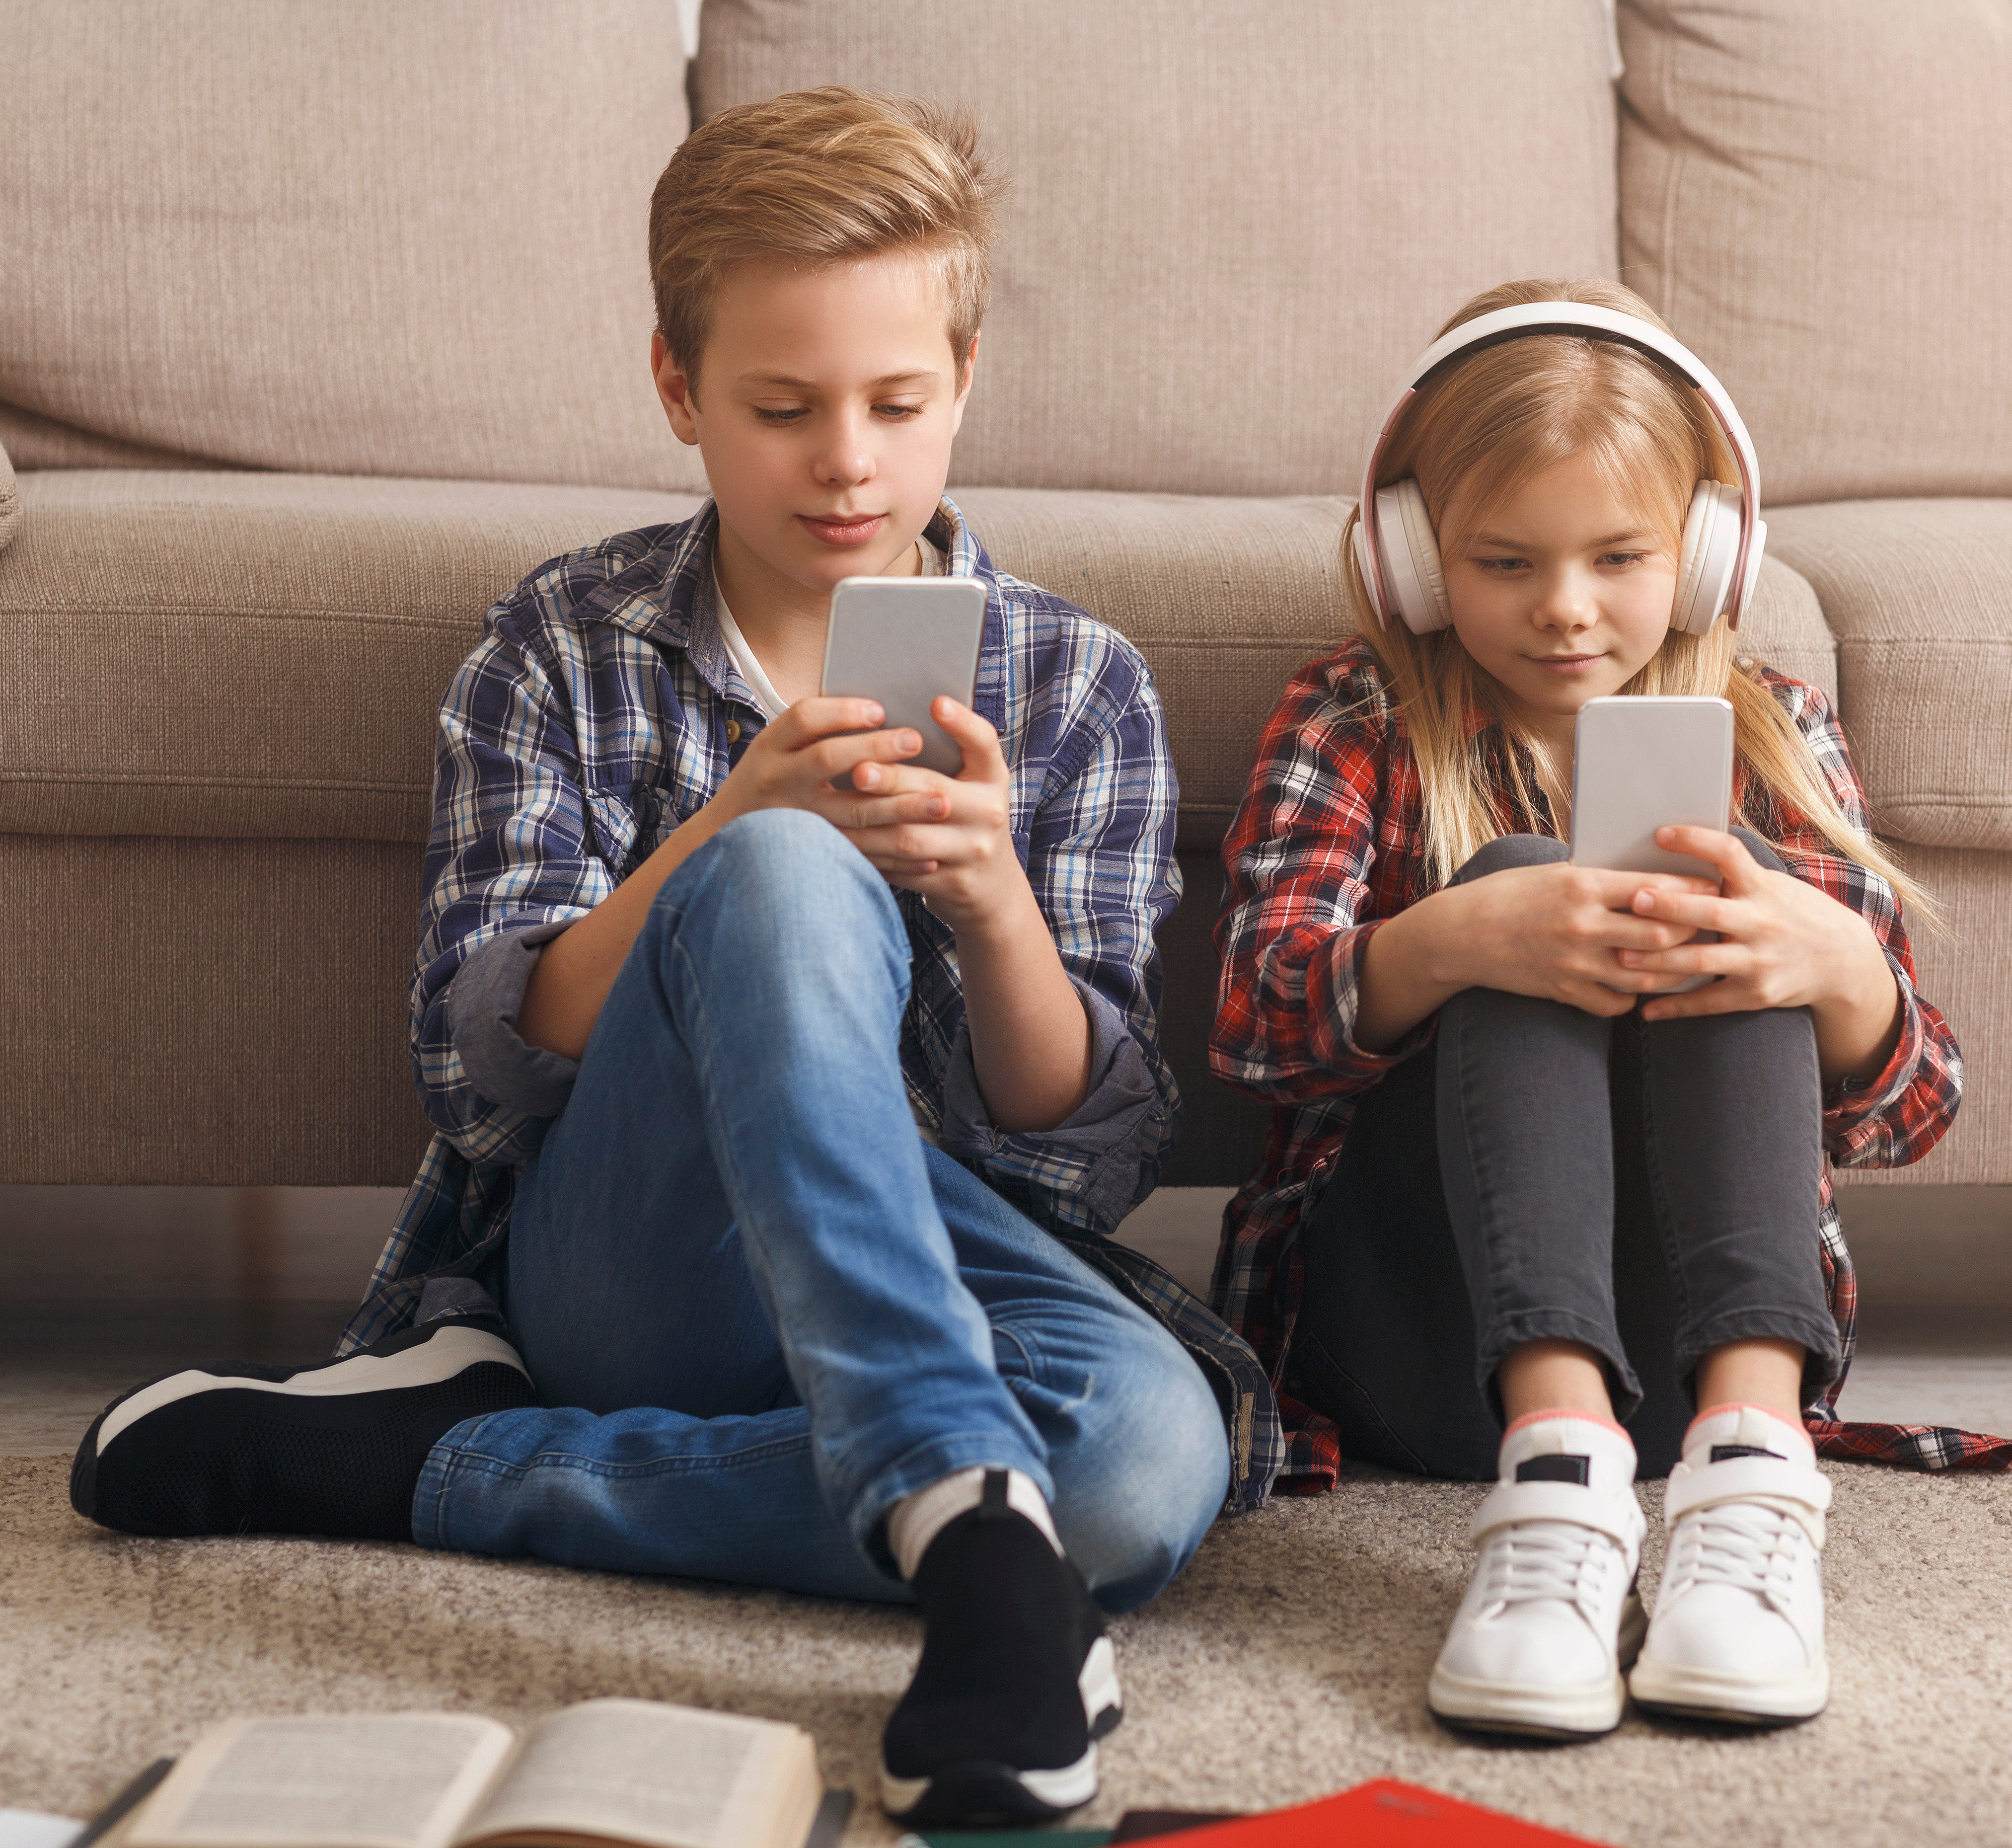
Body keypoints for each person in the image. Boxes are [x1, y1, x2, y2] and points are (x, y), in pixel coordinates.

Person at [65, 89, 1264, 1829]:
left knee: (1151, 1468)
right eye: (782, 409)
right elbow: (482, 1074)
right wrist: (721, 842)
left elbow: (1085, 1159)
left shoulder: (1075, 686)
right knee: (778, 869)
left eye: (897, 405)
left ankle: (446, 1465)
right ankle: (987, 1547)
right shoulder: (561, 645)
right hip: (642, 1267)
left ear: (967, 384)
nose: (847, 459)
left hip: (938, 1249)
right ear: (679, 391)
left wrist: (997, 905)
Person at [1209, 279, 2012, 1742]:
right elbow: (1248, 1030)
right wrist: (1453, 936)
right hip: (1418, 1339)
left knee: (1723, 908)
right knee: (1534, 883)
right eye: (1504, 561)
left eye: (1619, 557)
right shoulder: (1355, 719)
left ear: (1709, 554)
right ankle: (1553, 1480)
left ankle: (1749, 1471)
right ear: (1414, 560)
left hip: (1691, 1351)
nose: (1565, 607)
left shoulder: (1769, 728)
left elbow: (1914, 1109)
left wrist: (1836, 969)